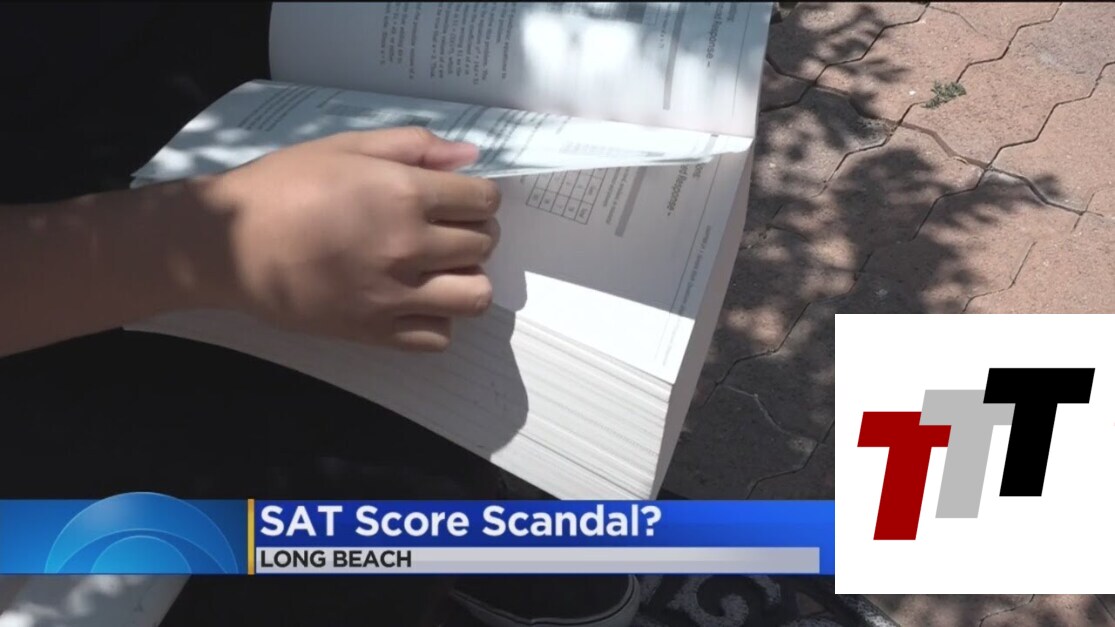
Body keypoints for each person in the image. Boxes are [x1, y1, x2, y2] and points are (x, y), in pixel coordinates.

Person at [0, 3, 637, 626]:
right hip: (74, 295)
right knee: (379, 477)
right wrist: (219, 246)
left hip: (222, 79)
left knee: (461, 337)